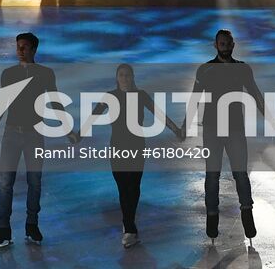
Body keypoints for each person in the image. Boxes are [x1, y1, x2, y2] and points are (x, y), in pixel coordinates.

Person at [0, 32, 79, 250]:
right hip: (11, 134)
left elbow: (55, 102)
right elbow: (1, 103)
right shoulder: (8, 74)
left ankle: (32, 225)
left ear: (34, 50)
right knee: (6, 182)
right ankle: (3, 228)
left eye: (25, 47)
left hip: (34, 134)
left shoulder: (45, 73)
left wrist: (68, 129)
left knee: (34, 181)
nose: (20, 51)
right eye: (18, 47)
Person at [179, 29, 266, 244]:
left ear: (233, 45)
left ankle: (247, 215)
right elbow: (195, 98)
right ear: (215, 45)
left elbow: (255, 94)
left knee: (240, 174)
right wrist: (184, 125)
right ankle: (212, 219)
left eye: (227, 43)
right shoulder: (206, 69)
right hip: (211, 129)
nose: (224, 46)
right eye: (221, 43)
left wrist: (270, 117)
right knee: (212, 175)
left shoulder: (243, 69)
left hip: (235, 128)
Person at [107, 64, 182, 249]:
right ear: (117, 78)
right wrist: (78, 135)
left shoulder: (141, 96)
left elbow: (159, 114)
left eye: (127, 75)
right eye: (121, 75)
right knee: (123, 187)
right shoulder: (110, 97)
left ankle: (129, 225)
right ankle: (129, 226)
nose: (124, 78)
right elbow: (93, 117)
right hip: (117, 148)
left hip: (136, 146)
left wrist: (176, 130)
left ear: (132, 77)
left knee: (133, 186)